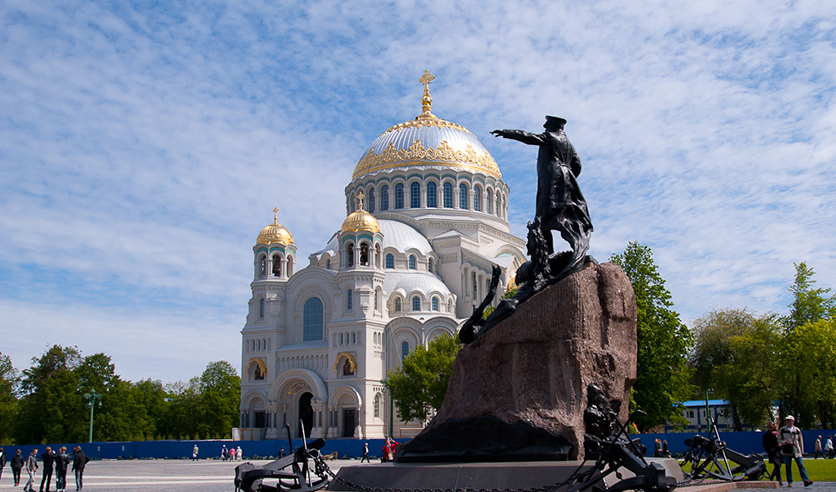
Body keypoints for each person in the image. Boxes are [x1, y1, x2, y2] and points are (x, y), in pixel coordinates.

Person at [491, 117, 592, 283]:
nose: (545, 128)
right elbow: (577, 164)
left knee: (542, 219)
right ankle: (557, 254)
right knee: (559, 217)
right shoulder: (569, 144)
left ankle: (549, 257)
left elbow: (527, 137)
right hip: (566, 181)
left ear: (553, 126)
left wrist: (506, 133)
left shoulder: (550, 137)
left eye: (548, 126)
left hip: (551, 180)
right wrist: (568, 175)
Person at [779, 415, 812, 487]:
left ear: (792, 421)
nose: (788, 422)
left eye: (789, 420)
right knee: (788, 467)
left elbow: (800, 441)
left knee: (801, 465)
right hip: (787, 450)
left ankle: (805, 480)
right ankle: (789, 481)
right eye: (787, 420)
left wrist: (801, 451)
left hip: (796, 450)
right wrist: (785, 442)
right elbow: (779, 440)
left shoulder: (797, 430)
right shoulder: (782, 430)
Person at [763, 421, 783, 486]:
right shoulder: (766, 435)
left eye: (771, 427)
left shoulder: (777, 434)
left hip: (778, 451)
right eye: (769, 427)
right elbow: (765, 444)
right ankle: (779, 480)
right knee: (777, 464)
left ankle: (772, 476)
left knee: (779, 465)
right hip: (772, 451)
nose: (770, 428)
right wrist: (769, 450)